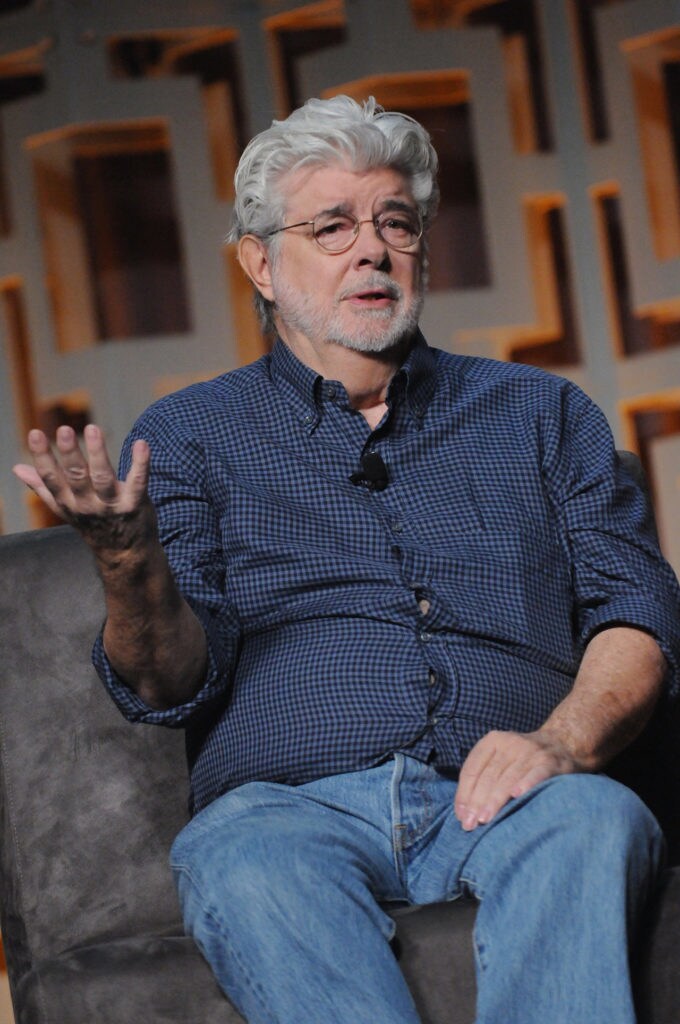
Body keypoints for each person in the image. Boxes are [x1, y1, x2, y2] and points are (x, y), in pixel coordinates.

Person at [13, 95, 680, 1024]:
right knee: (243, 859)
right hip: (290, 812)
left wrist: (560, 744)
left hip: (516, 794)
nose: (371, 248)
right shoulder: (191, 435)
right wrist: (128, 560)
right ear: (261, 262)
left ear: (421, 251)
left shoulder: (543, 414)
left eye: (395, 223)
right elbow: (169, 685)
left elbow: (637, 616)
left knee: (596, 823)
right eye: (331, 226)